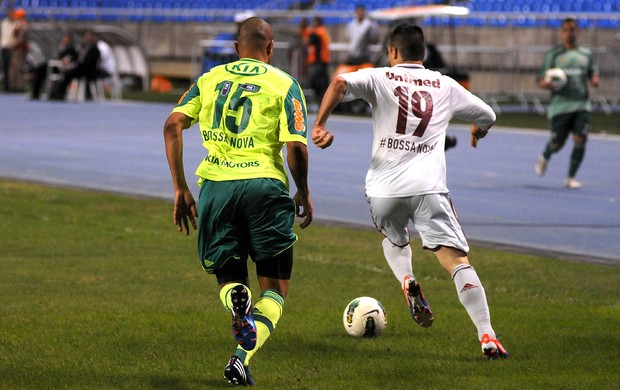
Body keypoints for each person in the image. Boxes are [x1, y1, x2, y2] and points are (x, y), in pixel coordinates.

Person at [312, 23, 508, 359]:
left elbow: (340, 82)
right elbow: (488, 114)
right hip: (428, 189)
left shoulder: (380, 77)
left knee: (394, 238)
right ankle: (487, 335)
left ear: (392, 51)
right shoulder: (444, 84)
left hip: (383, 190)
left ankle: (407, 278)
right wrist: (479, 128)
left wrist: (320, 124)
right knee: (457, 261)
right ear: (424, 54)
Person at [163, 17, 313, 385]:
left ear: (235, 49)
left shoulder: (210, 79)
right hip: (264, 187)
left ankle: (236, 307)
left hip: (216, 189)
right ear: (272, 48)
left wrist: (181, 188)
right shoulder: (285, 83)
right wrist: (304, 191)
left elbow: (172, 126)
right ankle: (239, 358)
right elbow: (295, 145)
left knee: (230, 279)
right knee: (274, 289)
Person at [535, 17, 600, 189]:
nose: (569, 33)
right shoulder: (554, 54)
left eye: (572, 29)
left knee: (580, 139)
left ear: (577, 32)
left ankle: (570, 177)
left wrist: (594, 79)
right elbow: (541, 79)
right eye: (566, 30)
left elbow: (593, 73)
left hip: (581, 105)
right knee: (558, 144)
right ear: (561, 32)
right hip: (560, 106)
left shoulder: (586, 55)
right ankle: (545, 155)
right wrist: (545, 83)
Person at [59, 29, 101, 100]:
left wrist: (76, 65)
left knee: (69, 73)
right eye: (86, 36)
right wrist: (69, 61)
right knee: (67, 73)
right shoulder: (83, 47)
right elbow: (76, 57)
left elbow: (90, 62)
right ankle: (61, 94)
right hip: (80, 68)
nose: (87, 37)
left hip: (88, 70)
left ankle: (88, 95)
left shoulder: (95, 49)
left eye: (89, 36)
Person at [302, 16, 331, 108]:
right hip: (323, 61)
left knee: (316, 82)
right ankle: (322, 103)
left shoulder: (318, 32)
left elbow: (307, 41)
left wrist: (304, 29)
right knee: (322, 83)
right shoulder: (323, 31)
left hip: (319, 61)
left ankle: (320, 103)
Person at [9, 8, 28, 92]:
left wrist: (14, 44)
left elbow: (21, 39)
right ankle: (14, 85)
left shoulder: (23, 25)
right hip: (16, 48)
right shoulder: (18, 24)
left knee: (19, 67)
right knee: (14, 67)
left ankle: (20, 86)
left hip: (20, 49)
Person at [1, 7, 16, 91]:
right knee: (4, 66)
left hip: (12, 48)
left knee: (11, 67)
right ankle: (5, 85)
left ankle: (12, 85)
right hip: (4, 46)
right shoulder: (4, 23)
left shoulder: (15, 24)